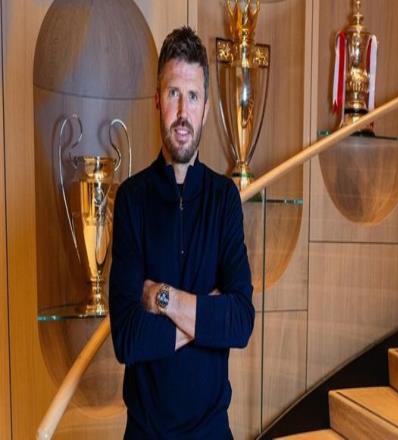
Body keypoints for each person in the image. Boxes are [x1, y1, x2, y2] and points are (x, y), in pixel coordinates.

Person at [109, 26, 255, 439]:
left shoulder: (224, 198)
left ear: (205, 108)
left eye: (192, 96)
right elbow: (127, 338)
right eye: (173, 93)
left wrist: (161, 297)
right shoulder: (132, 199)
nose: (182, 112)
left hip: (212, 432)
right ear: (158, 100)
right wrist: (206, 318)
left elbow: (240, 322)